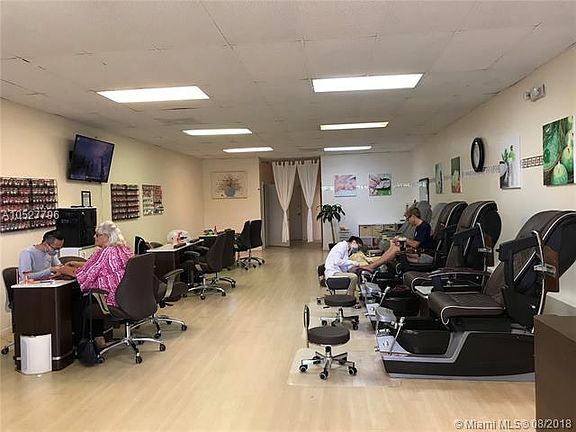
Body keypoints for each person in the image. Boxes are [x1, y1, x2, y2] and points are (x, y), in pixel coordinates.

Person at [59, 221, 133, 349]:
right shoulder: (122, 249)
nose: (94, 237)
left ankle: (82, 344)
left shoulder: (107, 252)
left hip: (110, 297)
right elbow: (97, 265)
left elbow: (86, 275)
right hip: (124, 294)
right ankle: (99, 337)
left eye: (97, 235)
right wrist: (76, 263)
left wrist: (62, 270)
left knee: (81, 301)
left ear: (106, 237)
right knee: (92, 296)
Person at [361, 207, 434, 271]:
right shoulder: (418, 227)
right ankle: (374, 265)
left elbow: (415, 244)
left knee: (397, 249)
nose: (407, 221)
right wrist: (400, 242)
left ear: (413, 217)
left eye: (408, 219)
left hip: (424, 255)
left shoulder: (424, 226)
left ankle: (372, 266)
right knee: (394, 245)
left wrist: (404, 239)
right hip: (418, 252)